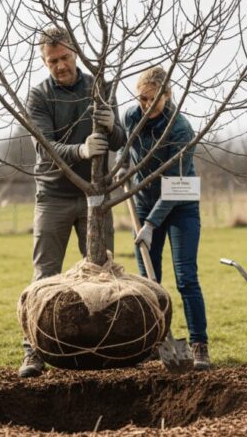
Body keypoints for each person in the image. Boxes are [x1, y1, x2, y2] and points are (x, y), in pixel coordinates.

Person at [18, 26, 126, 378]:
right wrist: (79, 150)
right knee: (44, 275)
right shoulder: (39, 96)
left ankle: (105, 349)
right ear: (43, 60)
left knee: (102, 274)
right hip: (53, 196)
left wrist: (111, 126)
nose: (60, 66)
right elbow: (44, 148)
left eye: (64, 58)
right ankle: (33, 350)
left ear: (75, 53)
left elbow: (122, 139)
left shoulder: (99, 86)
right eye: (52, 61)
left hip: (95, 196)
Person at [117, 66, 210, 370]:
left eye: (151, 100)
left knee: (186, 277)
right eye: (140, 99)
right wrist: (122, 165)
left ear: (167, 96)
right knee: (149, 282)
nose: (145, 106)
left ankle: (199, 345)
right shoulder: (131, 116)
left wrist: (150, 225)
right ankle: (154, 343)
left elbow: (173, 187)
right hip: (144, 203)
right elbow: (127, 149)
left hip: (180, 202)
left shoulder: (180, 129)